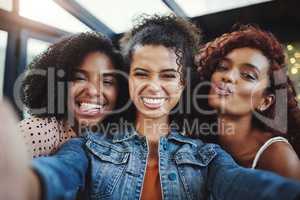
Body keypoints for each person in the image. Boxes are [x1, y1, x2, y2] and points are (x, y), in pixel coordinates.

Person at [1, 15, 300, 200]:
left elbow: (242, 185)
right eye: (142, 73)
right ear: (127, 80)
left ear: (182, 84)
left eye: (168, 75)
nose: (154, 86)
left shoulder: (208, 156)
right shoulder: (89, 147)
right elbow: (58, 174)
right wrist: (26, 183)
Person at [195, 24, 300, 179]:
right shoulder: (199, 138)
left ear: (264, 102)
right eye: (223, 67)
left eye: (248, 75)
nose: (228, 77)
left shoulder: (279, 157)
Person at [19, 32, 127, 158]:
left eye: (107, 81)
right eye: (80, 78)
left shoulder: (113, 138)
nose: (93, 91)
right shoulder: (37, 132)